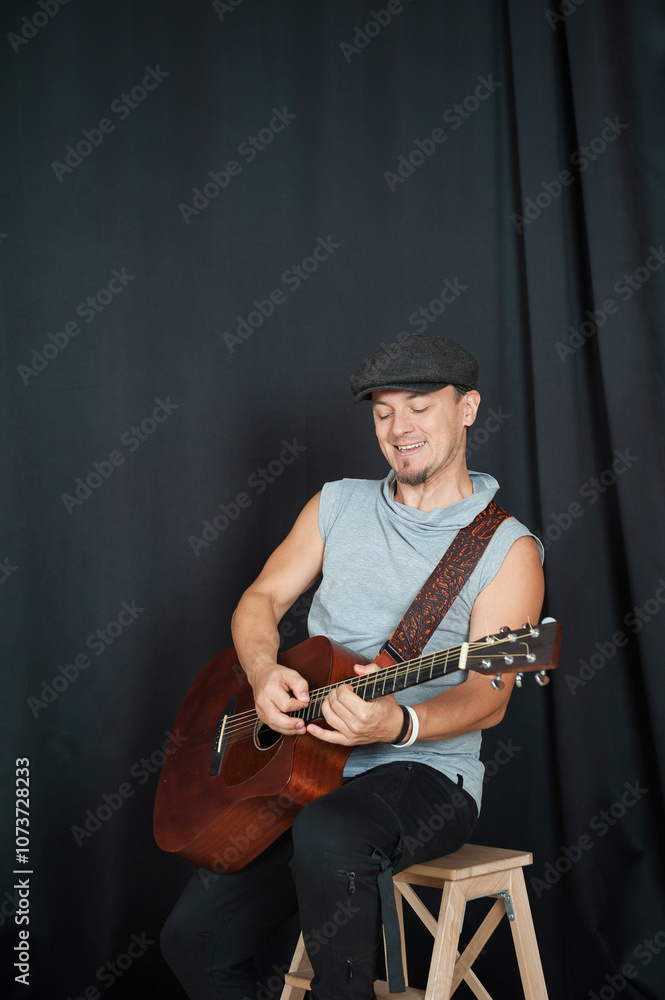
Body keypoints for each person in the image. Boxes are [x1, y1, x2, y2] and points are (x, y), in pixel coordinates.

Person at [160, 334, 545, 1000]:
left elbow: (489, 694)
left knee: (331, 832)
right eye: (383, 411)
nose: (399, 428)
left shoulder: (507, 549)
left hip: (425, 776)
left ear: (468, 409)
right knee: (193, 942)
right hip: (300, 769)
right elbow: (261, 600)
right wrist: (260, 674)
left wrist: (395, 723)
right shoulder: (335, 504)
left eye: (419, 406)